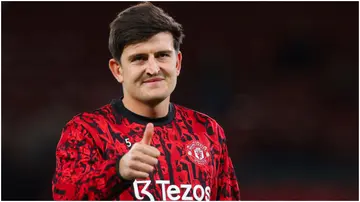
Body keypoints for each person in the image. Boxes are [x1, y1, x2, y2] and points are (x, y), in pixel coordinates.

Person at [52, 2, 240, 201]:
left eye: (162, 56)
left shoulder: (207, 131)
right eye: (139, 58)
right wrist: (117, 172)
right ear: (118, 70)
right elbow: (65, 196)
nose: (153, 68)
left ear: (177, 63)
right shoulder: (87, 131)